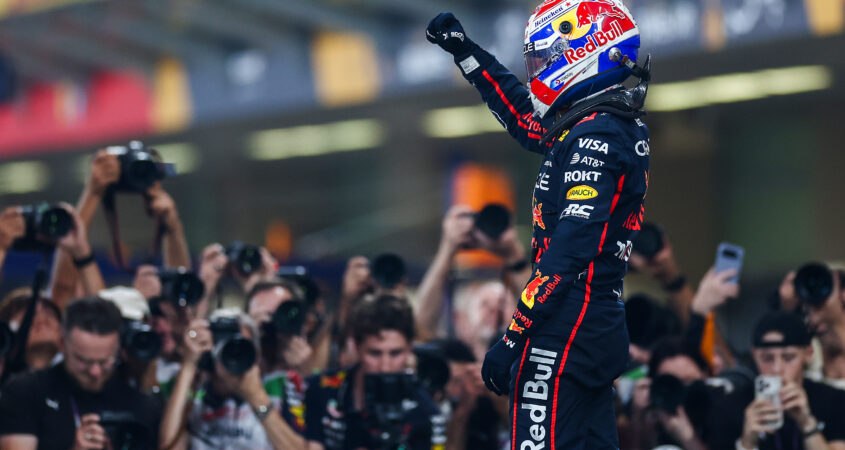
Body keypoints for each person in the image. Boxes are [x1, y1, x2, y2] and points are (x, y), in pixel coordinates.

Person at [427, 0, 650, 446]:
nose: (539, 70)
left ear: (587, 48)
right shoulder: (596, 123)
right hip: (593, 320)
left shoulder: (598, 133)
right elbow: (523, 119)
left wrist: (514, 336)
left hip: (568, 322)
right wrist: (466, 53)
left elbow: (570, 249)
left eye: (546, 58)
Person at [0, 297, 161, 450]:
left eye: (104, 362)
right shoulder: (26, 392)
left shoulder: (140, 405)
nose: (95, 372)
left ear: (118, 349)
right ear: (62, 344)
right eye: (84, 361)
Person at [304, 295, 445, 450]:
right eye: (375, 353)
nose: (385, 366)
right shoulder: (322, 389)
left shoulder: (425, 409)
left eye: (395, 353)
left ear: (410, 349)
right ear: (357, 347)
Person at [159, 309, 305, 449]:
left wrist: (256, 397)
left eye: (242, 347)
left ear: (256, 355)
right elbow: (168, 446)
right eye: (223, 346)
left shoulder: (278, 387)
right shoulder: (194, 394)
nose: (233, 355)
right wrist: (189, 365)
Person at [708, 311, 845, 450]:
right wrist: (747, 443)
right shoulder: (729, 406)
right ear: (754, 355)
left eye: (788, 357)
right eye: (767, 358)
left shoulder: (834, 401)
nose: (777, 368)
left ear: (808, 354)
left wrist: (808, 424)